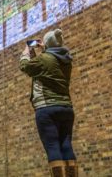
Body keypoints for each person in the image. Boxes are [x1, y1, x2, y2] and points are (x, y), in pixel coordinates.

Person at [20, 29, 77, 177]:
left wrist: (28, 48)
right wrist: (42, 50)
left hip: (47, 109)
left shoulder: (45, 59)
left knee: (53, 147)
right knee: (66, 146)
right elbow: (41, 70)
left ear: (47, 44)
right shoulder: (66, 60)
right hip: (66, 108)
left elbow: (25, 66)